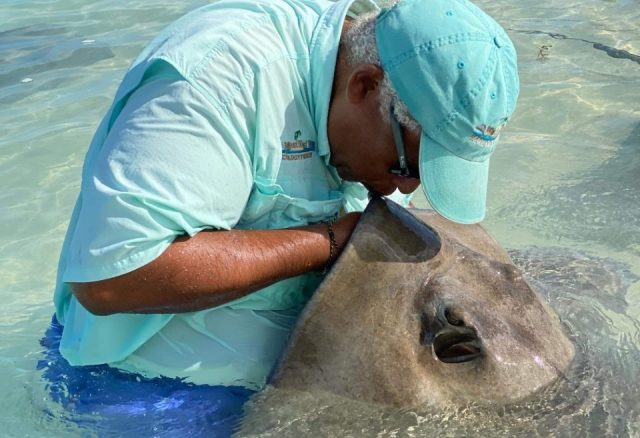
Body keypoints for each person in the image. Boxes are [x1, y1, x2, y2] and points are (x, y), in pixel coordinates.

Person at [53, 0, 519, 389]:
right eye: (407, 167)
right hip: (143, 384)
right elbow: (108, 279)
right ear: (365, 85)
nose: (404, 189)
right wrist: (329, 241)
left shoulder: (378, 60)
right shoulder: (217, 81)